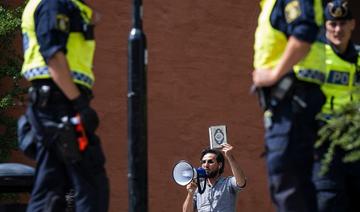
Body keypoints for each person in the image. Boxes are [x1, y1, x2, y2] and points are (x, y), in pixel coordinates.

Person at [21, 0, 109, 211]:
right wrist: (79, 104)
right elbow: (53, 54)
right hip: (61, 105)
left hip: (54, 104)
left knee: (50, 190)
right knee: (91, 183)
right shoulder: (54, 3)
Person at [252, 0, 326, 211]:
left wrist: (275, 74)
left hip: (294, 102)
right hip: (285, 105)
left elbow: (303, 35)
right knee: (289, 182)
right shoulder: (269, 4)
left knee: (289, 182)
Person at [312, 1, 360, 211]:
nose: (338, 29)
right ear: (326, 25)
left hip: (354, 143)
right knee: (328, 200)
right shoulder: (315, 56)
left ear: (352, 24)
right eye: (333, 24)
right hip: (324, 143)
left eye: (342, 23)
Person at [182, 144, 246, 212]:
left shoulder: (228, 183)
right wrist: (190, 194)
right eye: (203, 162)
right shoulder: (198, 187)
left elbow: (241, 182)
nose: (206, 165)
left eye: (210, 162)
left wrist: (230, 157)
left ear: (219, 165)